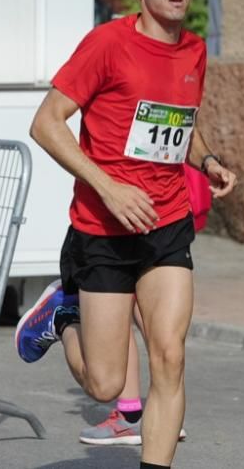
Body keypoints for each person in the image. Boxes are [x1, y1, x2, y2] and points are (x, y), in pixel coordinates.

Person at [17, 0, 236, 469]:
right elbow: (46, 124)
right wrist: (108, 187)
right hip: (102, 232)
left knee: (169, 358)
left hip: (166, 227)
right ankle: (60, 317)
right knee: (105, 383)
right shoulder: (107, 44)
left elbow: (180, 123)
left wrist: (206, 163)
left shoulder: (193, 50)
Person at [78, 164, 210, 446]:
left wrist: (209, 161)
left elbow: (189, 129)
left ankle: (137, 414)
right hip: (126, 215)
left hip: (166, 211)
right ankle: (135, 413)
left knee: (167, 348)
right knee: (134, 317)